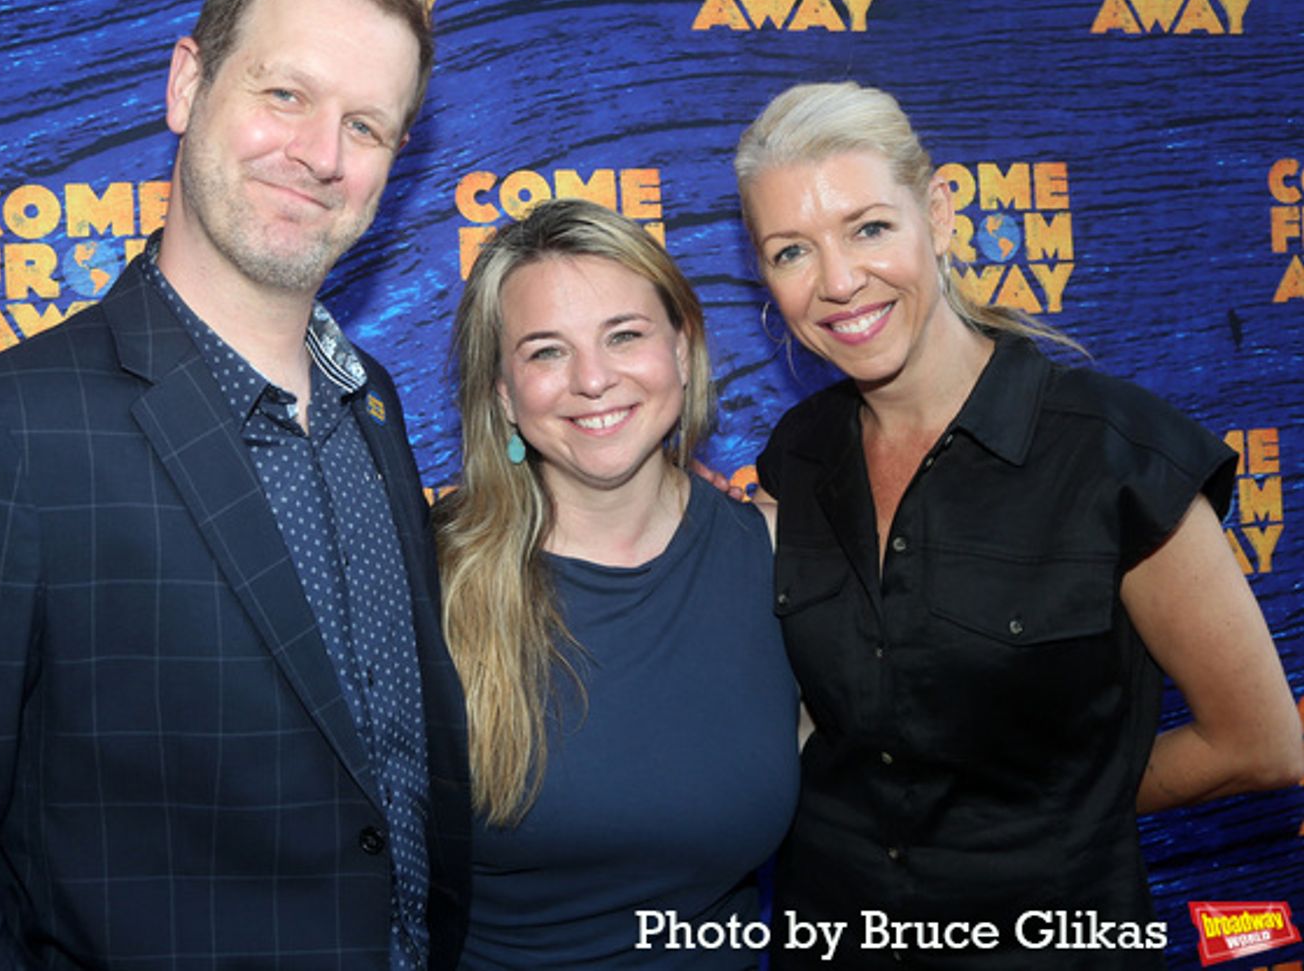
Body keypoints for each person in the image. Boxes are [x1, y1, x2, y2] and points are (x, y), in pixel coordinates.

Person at [0, 0, 470, 970]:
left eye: (367, 125)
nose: (321, 155)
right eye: (284, 95)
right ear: (185, 84)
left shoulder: (373, 410)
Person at [732, 81, 1302, 969]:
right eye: (791, 250)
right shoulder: (797, 456)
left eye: (870, 227)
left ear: (941, 214)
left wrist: (1063, 808)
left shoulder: (1117, 459)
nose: (838, 281)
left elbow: (1263, 744)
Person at [433, 197, 799, 967]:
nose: (594, 380)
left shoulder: (778, 556)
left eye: (624, 335)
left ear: (683, 347)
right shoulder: (426, 579)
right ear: (503, 393)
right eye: (546, 351)